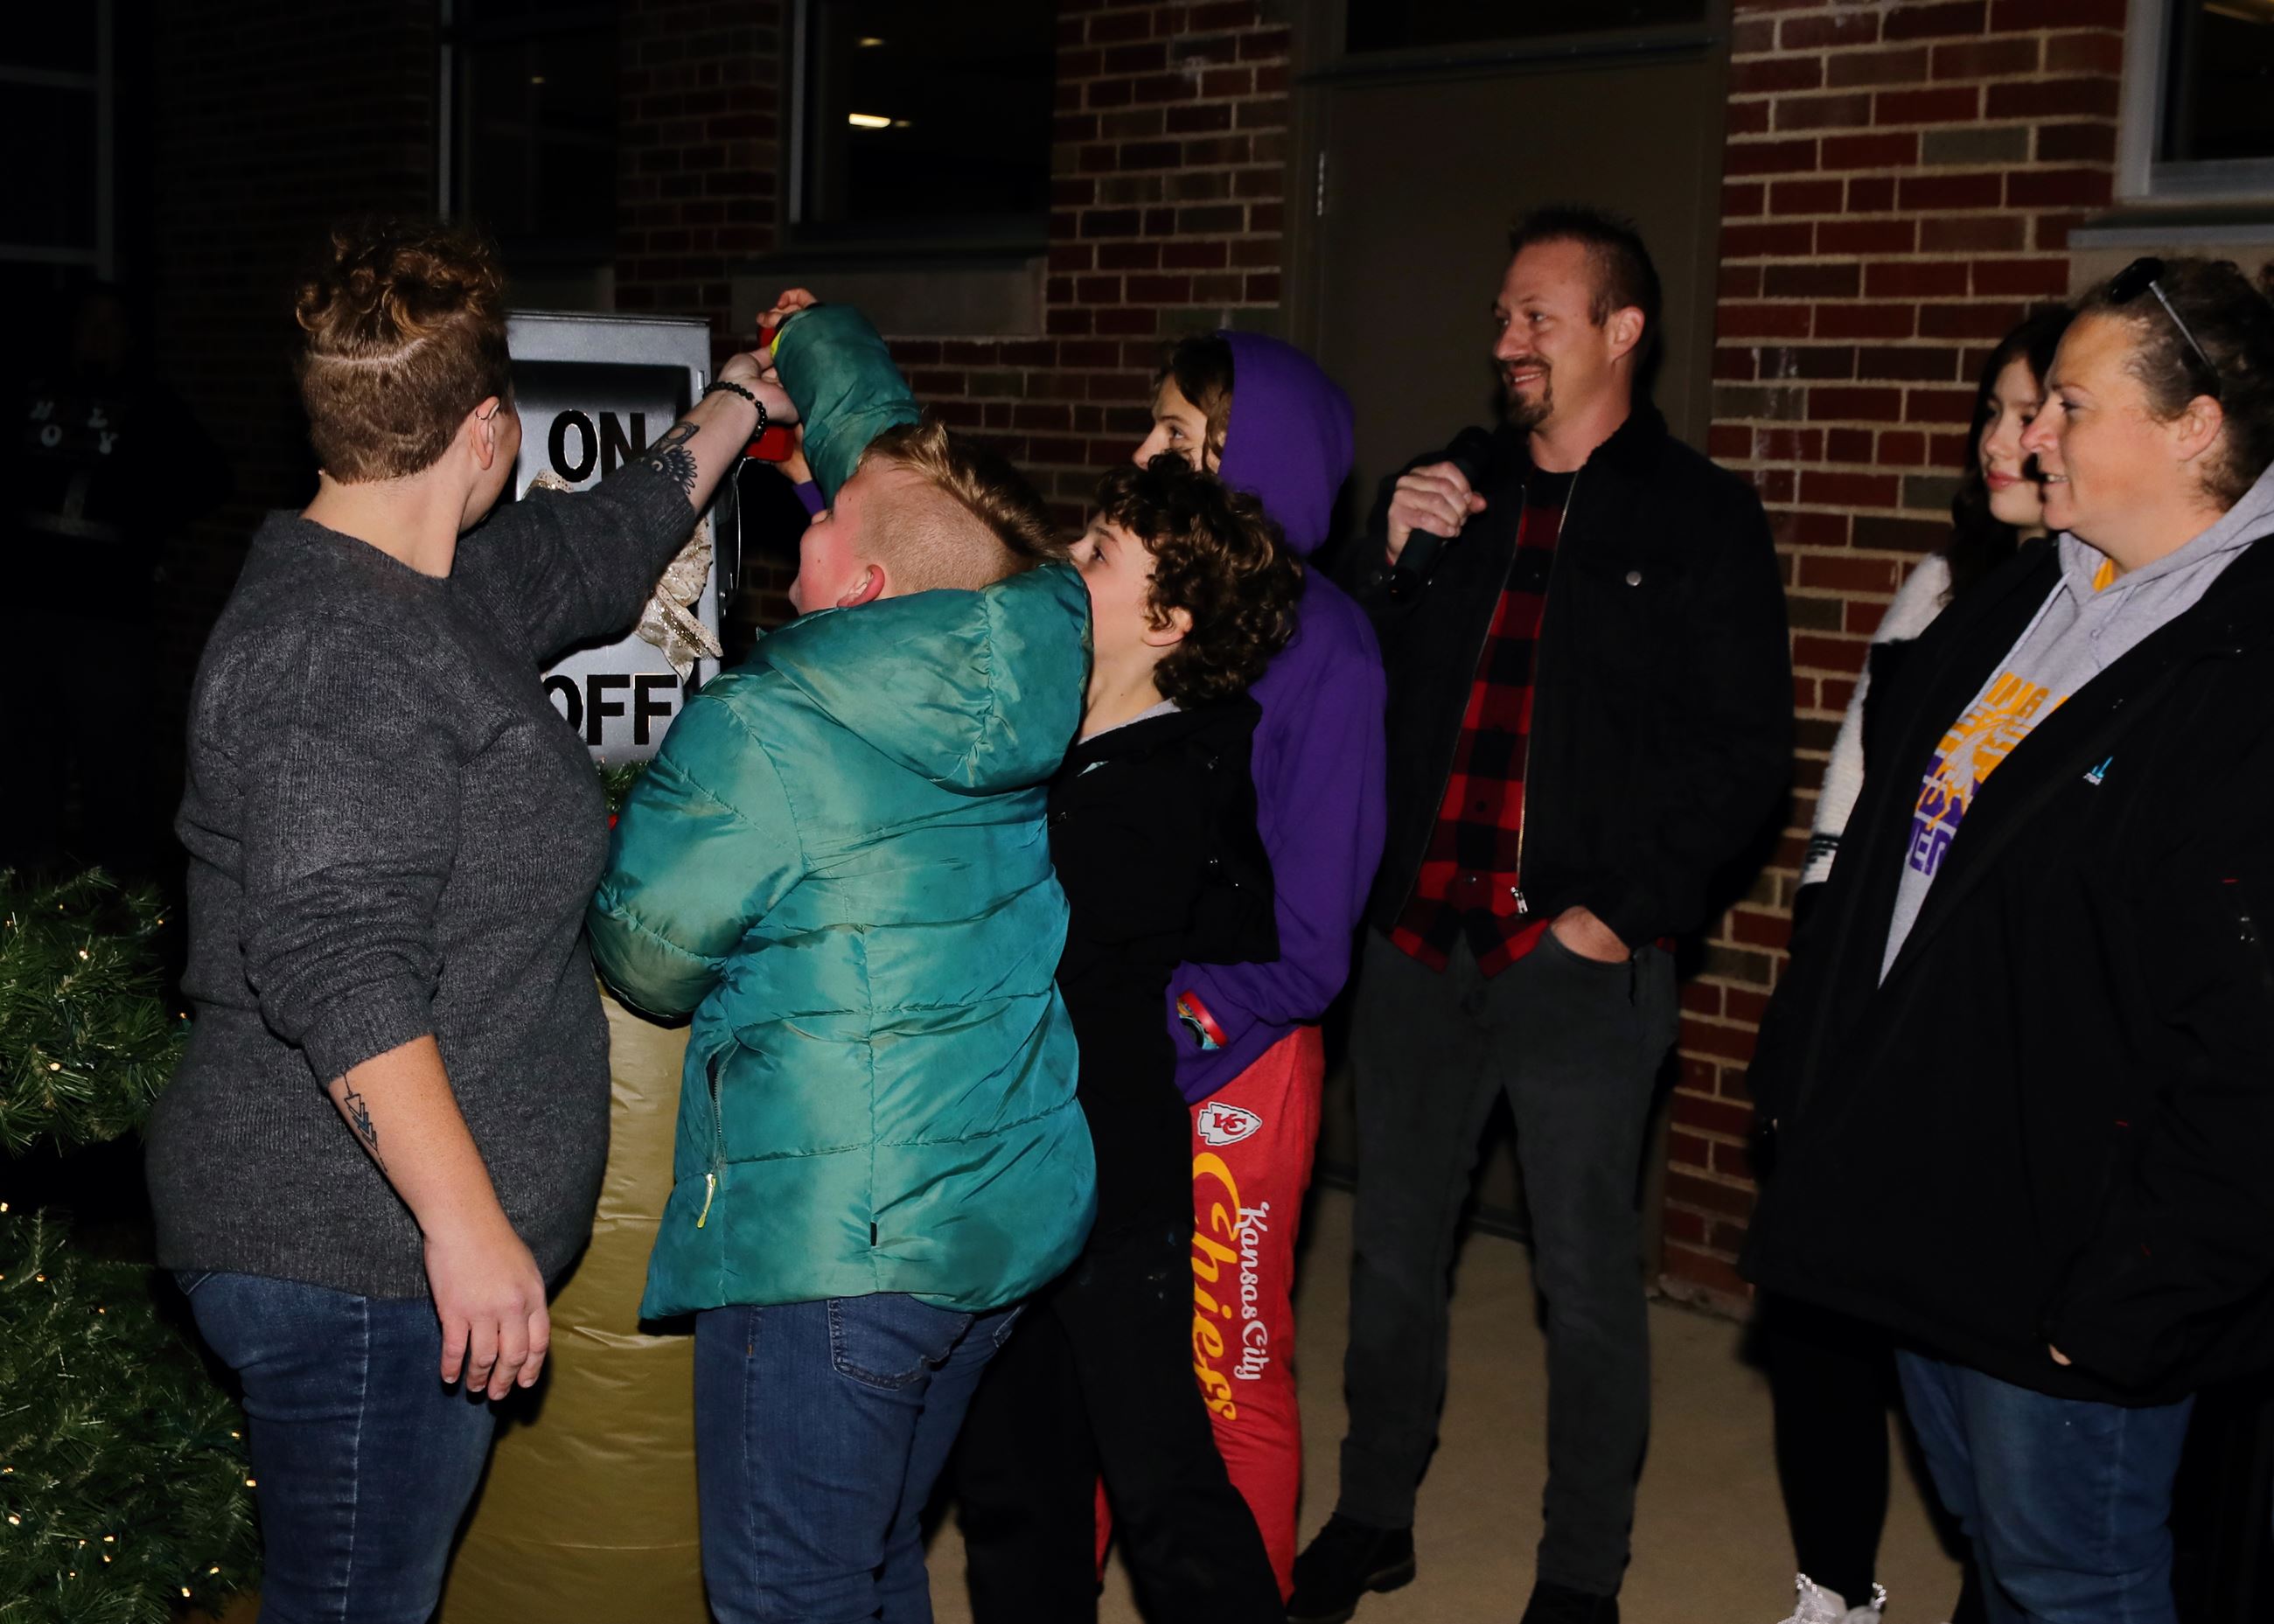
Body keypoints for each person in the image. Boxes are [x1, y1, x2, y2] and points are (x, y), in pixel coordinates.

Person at [146, 218, 775, 1623]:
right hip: (352, 1262)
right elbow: (332, 959)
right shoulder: (334, 653)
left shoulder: (422, 590)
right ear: (490, 428)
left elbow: (587, 550)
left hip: (370, 1252)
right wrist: (467, 1228)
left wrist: (739, 402)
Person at [1742, 255, 2274, 1624]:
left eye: (2072, 407)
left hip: (2076, 1259)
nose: (2029, 432)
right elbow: (1887, 870)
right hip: (1934, 1213)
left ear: (2193, 427)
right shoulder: (2028, 592)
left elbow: (2248, 1041)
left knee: (2074, 1582)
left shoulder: (2244, 659)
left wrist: (2133, 1293)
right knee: (2001, 1551)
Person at [1292, 205, 1792, 1624]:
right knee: (1391, 1257)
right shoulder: (1447, 488)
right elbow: (1356, 696)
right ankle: (1375, 1510)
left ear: (1622, 332)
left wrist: (1618, 914)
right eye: (1503, 316)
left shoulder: (1698, 516)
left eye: (1538, 317)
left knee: (1584, 1283)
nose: (1507, 341)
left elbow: (1744, 751)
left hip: (1575, 962)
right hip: (1416, 945)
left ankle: (1580, 1570)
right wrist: (1389, 565)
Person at [587, 299, 1096, 1622]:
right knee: (870, 1554)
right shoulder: (1035, 625)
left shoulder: (765, 723)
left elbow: (646, 957)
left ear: (860, 588)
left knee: (785, 1590)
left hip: (841, 1243)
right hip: (1000, 1212)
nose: (798, 525)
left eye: (816, 525)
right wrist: (818, 346)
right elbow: (904, 476)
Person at [952, 455, 1303, 1622]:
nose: (1068, 561)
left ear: (1169, 620)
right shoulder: (1050, 723)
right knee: (1015, 1480)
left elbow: (1027, 920)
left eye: (1102, 555)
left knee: (1163, 1487)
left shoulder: (1171, 783)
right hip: (1012, 1170)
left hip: (1110, 1177)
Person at [1765, 307, 2070, 1624]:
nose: (2006, 440)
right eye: (1993, 412)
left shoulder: (2116, 612)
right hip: (1865, 989)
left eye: (2035, 413)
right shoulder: (1940, 587)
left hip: (1989, 1034)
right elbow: (1854, 804)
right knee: (1820, 1311)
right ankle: (1836, 1588)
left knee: (2000, 1410)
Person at [2, 282, 229, 878]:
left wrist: (143, 525)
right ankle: (28, 895)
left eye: (111, 325)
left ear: (128, 339)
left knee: (113, 763)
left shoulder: (151, 406)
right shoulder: (29, 395)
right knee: (25, 758)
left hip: (109, 620)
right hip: (25, 613)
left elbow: (209, 477)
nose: (99, 336)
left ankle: (118, 903)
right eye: (89, 323)